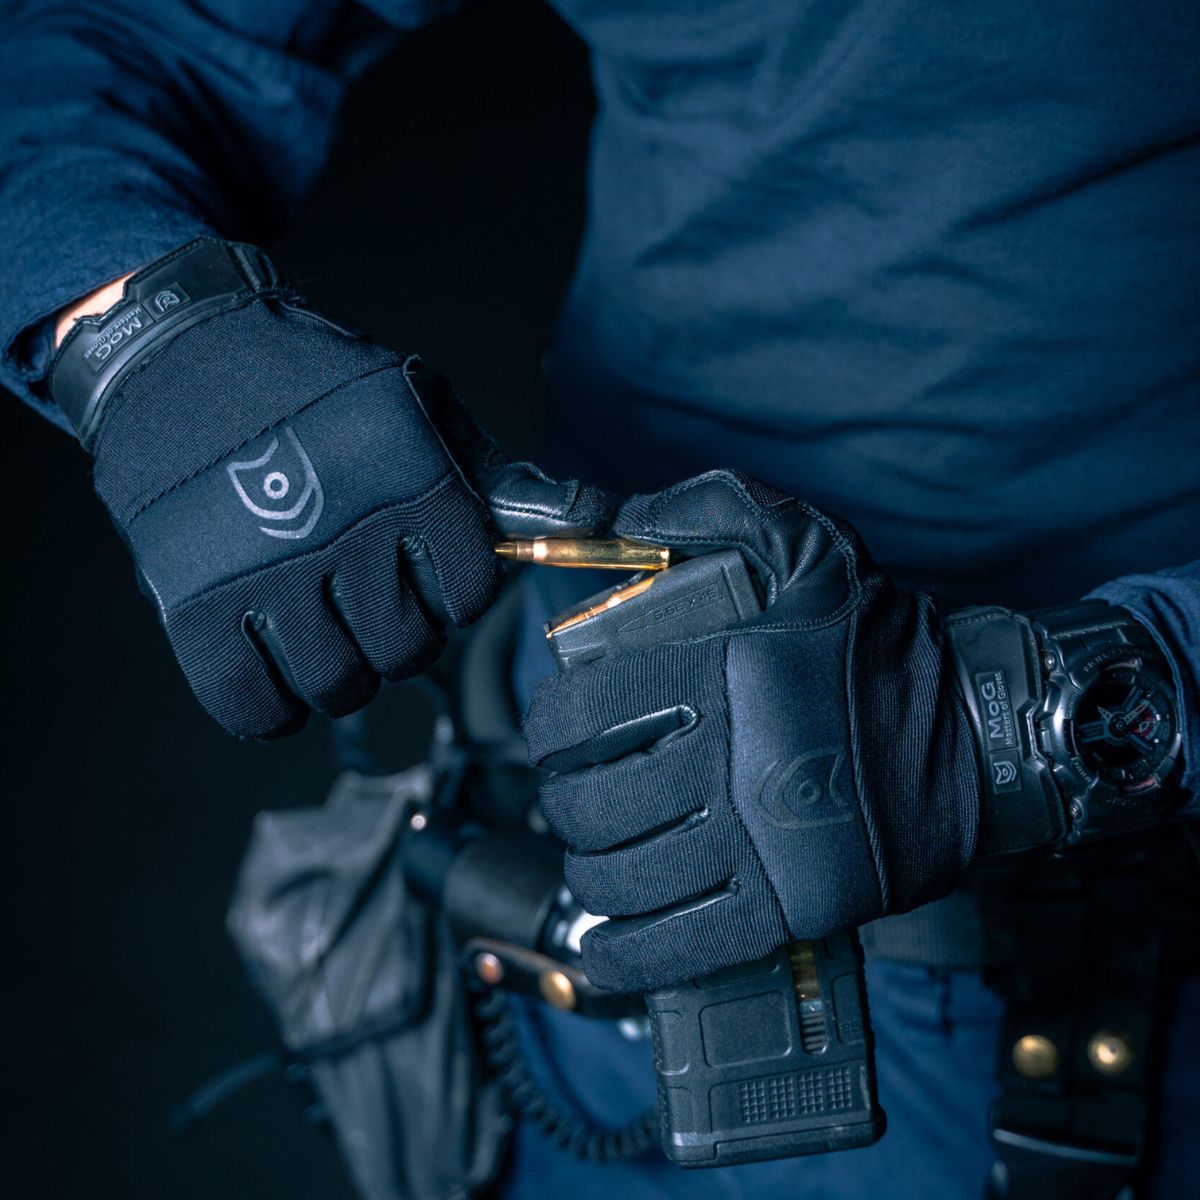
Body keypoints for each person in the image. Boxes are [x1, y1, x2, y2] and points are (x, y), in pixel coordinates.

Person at [1, 2, 1197, 1197]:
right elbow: (107, 34)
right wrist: (148, 338)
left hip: (1105, 983)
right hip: (588, 885)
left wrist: (1028, 722)